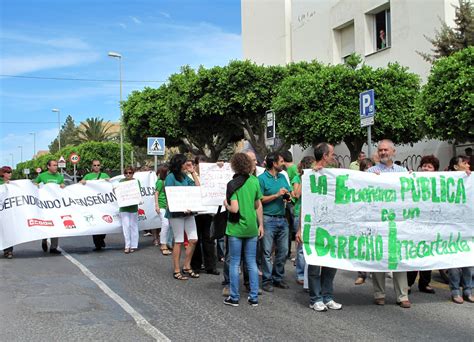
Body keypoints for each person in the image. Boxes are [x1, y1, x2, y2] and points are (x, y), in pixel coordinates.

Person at [296, 143, 342, 312]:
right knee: (315, 263)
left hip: (333, 226)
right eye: (332, 154)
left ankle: (327, 296)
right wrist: (300, 229)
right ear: (324, 156)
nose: (334, 157)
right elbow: (302, 201)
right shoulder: (310, 176)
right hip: (314, 226)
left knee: (331, 263)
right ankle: (315, 298)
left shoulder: (335, 173)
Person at [367, 139, 411, 308]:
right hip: (378, 221)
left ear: (393, 152)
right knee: (379, 255)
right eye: (380, 150)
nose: (383, 153)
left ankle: (402, 295)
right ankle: (379, 294)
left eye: (386, 150)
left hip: (398, 222)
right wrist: (371, 180)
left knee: (398, 257)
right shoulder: (371, 171)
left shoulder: (402, 171)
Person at [223, 153, 264, 307]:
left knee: (234, 263)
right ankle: (253, 297)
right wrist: (261, 224)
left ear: (234, 165)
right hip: (251, 227)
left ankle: (234, 297)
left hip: (236, 228)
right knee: (251, 262)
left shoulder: (232, 184)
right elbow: (257, 205)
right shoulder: (254, 181)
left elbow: (234, 209)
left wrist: (226, 204)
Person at [258, 152, 292, 292]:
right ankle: (266, 280)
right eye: (281, 161)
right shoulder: (261, 179)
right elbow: (259, 200)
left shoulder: (283, 176)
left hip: (282, 218)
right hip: (267, 218)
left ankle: (278, 277)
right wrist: (276, 195)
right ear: (274, 163)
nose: (283, 164)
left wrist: (287, 197)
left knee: (283, 251)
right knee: (266, 252)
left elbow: (289, 194)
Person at [406, 155, 439, 294]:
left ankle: (425, 283)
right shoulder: (413, 179)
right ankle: (408, 283)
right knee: (413, 254)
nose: (426, 168)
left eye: (429, 167)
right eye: (424, 166)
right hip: (415, 223)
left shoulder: (440, 182)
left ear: (435, 170)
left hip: (432, 224)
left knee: (428, 254)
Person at [165, 154, 200, 280]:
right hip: (176, 213)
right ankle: (176, 269)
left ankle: (186, 265)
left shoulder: (185, 176)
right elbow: (169, 194)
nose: (188, 164)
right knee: (179, 241)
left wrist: (193, 172)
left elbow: (197, 187)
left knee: (193, 239)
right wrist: (179, 207)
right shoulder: (170, 177)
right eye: (186, 162)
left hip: (189, 212)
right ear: (180, 163)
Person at [447, 155, 473, 304]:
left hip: (468, 228)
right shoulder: (446, 181)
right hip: (451, 228)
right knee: (454, 263)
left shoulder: (470, 180)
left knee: (469, 262)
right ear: (456, 167)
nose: (468, 165)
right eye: (464, 163)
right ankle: (455, 290)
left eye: (468, 163)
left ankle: (468, 290)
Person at [191, 155, 219, 275]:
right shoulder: (190, 176)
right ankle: (196, 265)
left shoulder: (210, 176)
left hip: (207, 211)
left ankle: (210, 266)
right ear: (195, 165)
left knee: (208, 239)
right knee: (196, 240)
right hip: (195, 212)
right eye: (200, 165)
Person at [291, 156, 315, 285]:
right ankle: (300, 273)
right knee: (300, 247)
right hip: (299, 213)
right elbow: (296, 194)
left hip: (312, 213)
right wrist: (303, 178)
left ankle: (309, 273)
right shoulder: (297, 178)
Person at [34, 159, 65, 255]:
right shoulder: (42, 176)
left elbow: (62, 187)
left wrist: (63, 185)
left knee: (56, 225)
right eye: (54, 165)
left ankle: (53, 247)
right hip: (44, 205)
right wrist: (38, 186)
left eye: (56, 165)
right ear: (48, 166)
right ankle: (44, 240)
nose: (56, 167)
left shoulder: (60, 177)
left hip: (55, 206)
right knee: (47, 224)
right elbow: (35, 184)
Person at [81, 160, 110, 251]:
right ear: (92, 166)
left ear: (100, 166)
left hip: (103, 204)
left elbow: (111, 185)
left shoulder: (105, 175)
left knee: (105, 223)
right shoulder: (88, 176)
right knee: (95, 224)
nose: (96, 166)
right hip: (93, 205)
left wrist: (108, 181)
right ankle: (97, 244)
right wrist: (82, 182)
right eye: (95, 165)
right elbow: (80, 184)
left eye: (98, 165)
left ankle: (101, 239)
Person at [354, 158, 374, 285]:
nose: (368, 169)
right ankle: (362, 274)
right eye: (365, 167)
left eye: (370, 167)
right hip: (362, 218)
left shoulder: (379, 180)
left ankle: (376, 270)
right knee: (362, 246)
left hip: (376, 219)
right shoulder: (357, 181)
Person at [119, 166, 141, 254]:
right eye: (126, 173)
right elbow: (118, 193)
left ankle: (134, 245)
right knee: (126, 226)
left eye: (130, 172)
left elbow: (138, 192)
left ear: (133, 173)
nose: (128, 174)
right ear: (124, 174)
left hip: (133, 207)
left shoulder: (136, 182)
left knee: (133, 226)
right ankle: (127, 245)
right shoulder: (121, 182)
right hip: (124, 207)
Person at [155, 164, 172, 255]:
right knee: (165, 224)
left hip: (166, 206)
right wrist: (157, 205)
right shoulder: (160, 182)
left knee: (167, 225)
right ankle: (163, 244)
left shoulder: (165, 181)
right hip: (162, 206)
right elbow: (156, 193)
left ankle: (165, 243)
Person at [1, 166, 14, 259]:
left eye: (10, 172)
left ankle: (8, 251)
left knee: (8, 231)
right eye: (8, 172)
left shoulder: (13, 185)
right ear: (3, 174)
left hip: (8, 211)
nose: (10, 174)